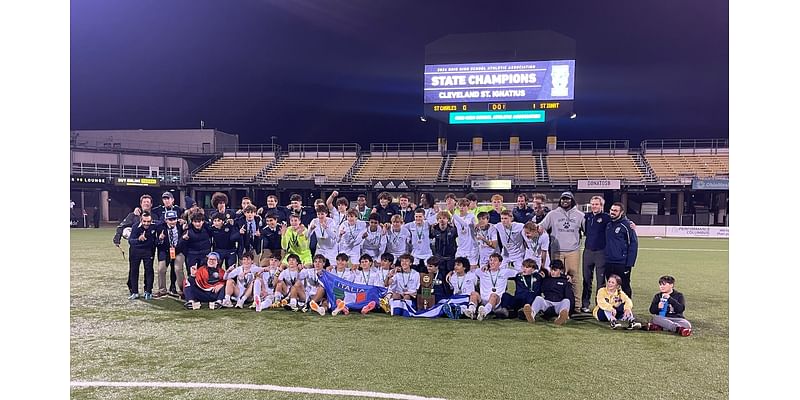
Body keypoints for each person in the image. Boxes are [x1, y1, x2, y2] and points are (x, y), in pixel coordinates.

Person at [538, 191, 585, 312]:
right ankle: (554, 302)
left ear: (572, 200)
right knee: (555, 276)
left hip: (572, 251)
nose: (565, 201)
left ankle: (577, 306)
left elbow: (589, 230)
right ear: (560, 200)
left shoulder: (580, 215)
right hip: (556, 251)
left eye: (568, 199)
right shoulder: (553, 214)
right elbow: (541, 227)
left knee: (574, 278)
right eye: (563, 199)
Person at [581, 195, 612, 313]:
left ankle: (599, 304)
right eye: (592, 204)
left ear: (601, 206)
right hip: (588, 251)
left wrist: (631, 224)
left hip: (601, 253)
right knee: (586, 279)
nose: (594, 206)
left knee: (601, 281)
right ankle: (585, 304)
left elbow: (619, 220)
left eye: (596, 204)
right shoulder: (587, 216)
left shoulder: (606, 217)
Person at [604, 202, 638, 298]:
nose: (612, 212)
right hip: (609, 261)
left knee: (625, 285)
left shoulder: (627, 225)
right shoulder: (608, 223)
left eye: (615, 211)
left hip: (622, 263)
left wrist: (630, 263)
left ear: (621, 212)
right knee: (610, 286)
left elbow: (633, 244)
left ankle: (627, 308)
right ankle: (612, 307)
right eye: (611, 210)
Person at [474, 253, 520, 320]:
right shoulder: (482, 271)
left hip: (497, 301)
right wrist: (484, 266)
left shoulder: (505, 272)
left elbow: (519, 272)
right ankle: (471, 311)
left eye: (495, 260)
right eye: (491, 260)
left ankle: (484, 312)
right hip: (483, 301)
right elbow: (471, 271)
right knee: (473, 294)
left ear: (500, 263)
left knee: (493, 295)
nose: (492, 262)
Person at [529, 260, 573, 325]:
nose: (552, 272)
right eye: (551, 270)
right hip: (547, 303)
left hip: (558, 304)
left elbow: (570, 297)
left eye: (555, 270)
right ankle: (531, 315)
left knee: (566, 301)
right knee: (538, 298)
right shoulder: (546, 280)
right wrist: (541, 279)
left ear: (560, 270)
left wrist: (570, 312)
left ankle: (561, 317)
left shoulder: (565, 281)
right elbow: (539, 291)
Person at [154, 210, 185, 298]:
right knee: (161, 269)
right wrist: (160, 239)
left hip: (178, 251)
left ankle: (183, 290)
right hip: (165, 251)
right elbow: (155, 242)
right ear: (166, 220)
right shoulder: (160, 228)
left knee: (178, 269)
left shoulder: (180, 226)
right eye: (170, 219)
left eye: (174, 219)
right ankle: (162, 290)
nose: (172, 221)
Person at [126, 211, 157, 300]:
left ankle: (148, 291)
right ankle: (135, 292)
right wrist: (139, 239)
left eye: (148, 221)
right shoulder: (135, 227)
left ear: (151, 221)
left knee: (149, 270)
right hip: (135, 252)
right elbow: (131, 241)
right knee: (134, 271)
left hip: (148, 251)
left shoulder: (154, 226)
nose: (146, 223)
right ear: (141, 220)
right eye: (144, 221)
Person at [181, 212, 213, 277]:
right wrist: (183, 239)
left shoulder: (207, 229)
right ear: (192, 222)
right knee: (192, 275)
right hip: (192, 255)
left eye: (199, 221)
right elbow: (180, 244)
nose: (197, 224)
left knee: (204, 275)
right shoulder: (187, 231)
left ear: (203, 221)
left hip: (205, 254)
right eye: (195, 222)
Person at [430, 211, 458, 278]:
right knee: (440, 277)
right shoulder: (434, 229)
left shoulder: (453, 229)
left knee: (450, 277)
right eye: (439, 218)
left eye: (444, 218)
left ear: (448, 219)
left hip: (450, 258)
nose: (442, 220)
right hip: (439, 257)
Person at [452, 198, 479, 268]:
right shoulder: (454, 218)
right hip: (461, 247)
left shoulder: (471, 216)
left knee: (472, 269)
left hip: (471, 247)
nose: (461, 208)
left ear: (468, 207)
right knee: (458, 268)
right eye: (460, 206)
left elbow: (467, 225)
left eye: (464, 206)